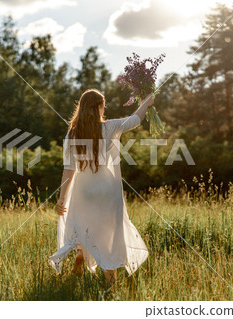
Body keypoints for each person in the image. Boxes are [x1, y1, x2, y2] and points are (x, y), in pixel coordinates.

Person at [48, 88, 154, 287]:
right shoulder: (110, 127)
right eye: (103, 105)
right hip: (107, 192)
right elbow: (134, 119)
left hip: (83, 191)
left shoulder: (72, 134)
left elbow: (68, 170)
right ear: (98, 107)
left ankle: (80, 253)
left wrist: (61, 198)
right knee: (108, 235)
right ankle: (109, 280)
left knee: (83, 228)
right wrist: (146, 103)